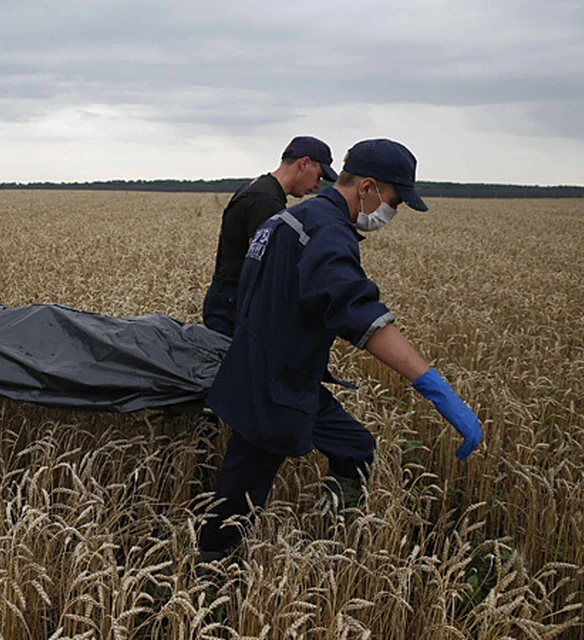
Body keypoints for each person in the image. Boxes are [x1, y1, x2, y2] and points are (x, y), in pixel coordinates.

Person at [199, 138, 482, 555]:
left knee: (356, 448)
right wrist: (434, 386)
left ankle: (338, 539)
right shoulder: (327, 232)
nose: (392, 212)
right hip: (274, 387)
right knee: (238, 501)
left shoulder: (292, 219)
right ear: (367, 188)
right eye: (394, 201)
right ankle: (212, 576)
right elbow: (356, 309)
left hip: (275, 375)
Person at [202, 136, 339, 337]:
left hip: (226, 297)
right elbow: (265, 267)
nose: (318, 185)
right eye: (319, 176)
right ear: (304, 163)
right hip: (234, 304)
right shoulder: (266, 202)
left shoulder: (258, 186)